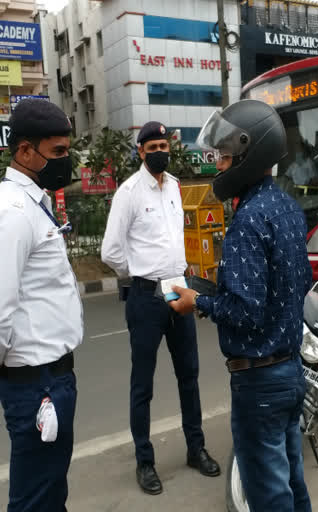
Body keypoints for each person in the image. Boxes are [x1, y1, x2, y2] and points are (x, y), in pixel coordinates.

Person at [169, 99, 313, 511]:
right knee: (292, 483)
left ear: (250, 156)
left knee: (268, 495)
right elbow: (297, 284)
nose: (219, 165)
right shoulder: (286, 207)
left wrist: (199, 301)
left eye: (226, 156)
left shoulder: (248, 220)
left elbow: (247, 312)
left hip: (260, 381)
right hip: (290, 372)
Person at [0, 98, 82, 511]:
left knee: (50, 493)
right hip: (37, 385)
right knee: (35, 500)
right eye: (58, 152)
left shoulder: (33, 201)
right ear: (26, 151)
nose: (67, 161)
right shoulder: (12, 211)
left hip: (50, 379)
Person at [100, 121, 220, 496]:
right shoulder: (129, 192)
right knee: (143, 385)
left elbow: (173, 239)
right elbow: (110, 251)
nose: (159, 152)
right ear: (140, 151)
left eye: (163, 145)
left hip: (177, 291)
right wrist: (139, 274)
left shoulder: (174, 186)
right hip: (146, 297)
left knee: (190, 375)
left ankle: (195, 448)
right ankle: (145, 461)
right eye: (151, 147)